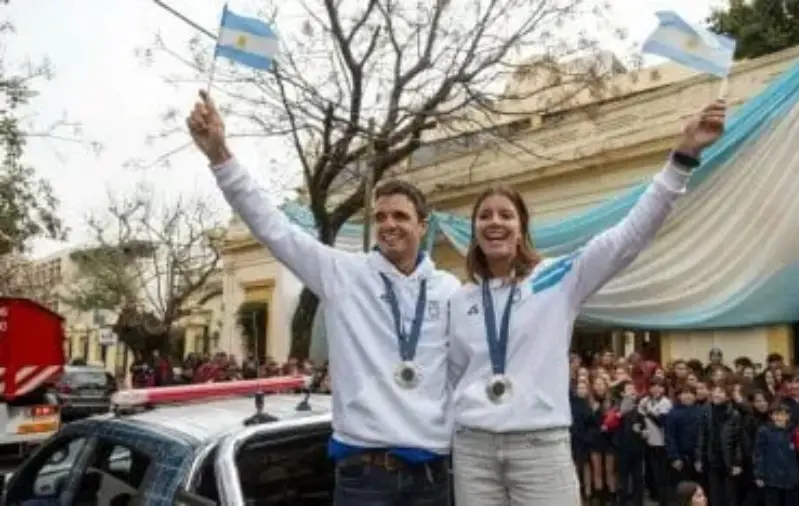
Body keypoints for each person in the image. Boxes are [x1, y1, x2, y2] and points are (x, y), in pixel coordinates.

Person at [187, 90, 461, 505]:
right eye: (381, 216)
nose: (388, 224)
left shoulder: (449, 290)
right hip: (364, 478)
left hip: (431, 479)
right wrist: (220, 155)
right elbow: (274, 228)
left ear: (423, 225)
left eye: (400, 216)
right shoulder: (344, 274)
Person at [446, 100, 727, 505]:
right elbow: (456, 375)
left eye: (506, 215)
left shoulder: (556, 278)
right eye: (484, 215)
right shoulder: (462, 299)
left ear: (522, 227)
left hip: (539, 448)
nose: (494, 222)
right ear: (475, 230)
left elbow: (629, 237)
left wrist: (683, 156)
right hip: (474, 450)